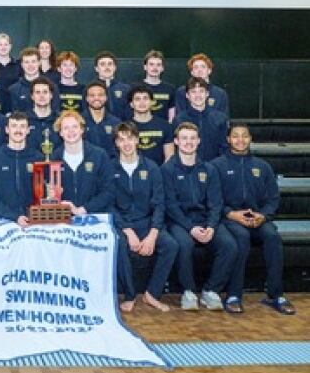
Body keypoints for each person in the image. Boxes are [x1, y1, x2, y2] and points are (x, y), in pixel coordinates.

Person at [211, 124, 295, 315]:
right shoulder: (217, 165)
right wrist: (231, 214)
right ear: (228, 139)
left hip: (257, 219)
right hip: (230, 219)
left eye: (244, 136)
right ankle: (233, 295)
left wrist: (263, 215)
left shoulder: (262, 166)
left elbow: (273, 198)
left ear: (250, 139)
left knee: (273, 237)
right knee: (241, 237)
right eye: (235, 136)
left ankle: (275, 295)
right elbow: (214, 200)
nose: (240, 140)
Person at [162, 122, 236, 311]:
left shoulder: (209, 170)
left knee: (229, 245)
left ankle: (211, 290)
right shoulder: (167, 170)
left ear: (199, 141)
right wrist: (191, 228)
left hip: (205, 220)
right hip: (179, 221)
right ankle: (188, 291)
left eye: (192, 138)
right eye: (184, 138)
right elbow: (171, 206)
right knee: (184, 244)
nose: (188, 142)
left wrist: (211, 226)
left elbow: (216, 203)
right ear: (176, 141)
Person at [111, 122, 178, 313]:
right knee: (120, 244)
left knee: (171, 245)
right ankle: (130, 295)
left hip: (147, 222)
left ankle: (152, 294)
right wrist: (127, 230)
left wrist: (153, 234)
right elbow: (110, 205)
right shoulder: (110, 168)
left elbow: (159, 203)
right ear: (116, 143)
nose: (126, 143)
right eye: (121, 139)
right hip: (122, 224)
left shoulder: (152, 168)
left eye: (130, 138)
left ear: (137, 140)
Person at [0, 112, 42, 227]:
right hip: (2, 221)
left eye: (22, 126)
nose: (18, 130)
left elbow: (42, 193)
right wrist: (14, 216)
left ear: (28, 130)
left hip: (32, 221)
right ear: (7, 130)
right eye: (14, 126)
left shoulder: (38, 158)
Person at [51, 110, 114, 217]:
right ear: (60, 133)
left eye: (74, 127)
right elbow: (49, 191)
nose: (71, 131)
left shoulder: (99, 155)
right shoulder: (53, 158)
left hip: (94, 217)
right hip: (64, 218)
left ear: (81, 130)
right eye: (66, 128)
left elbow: (108, 192)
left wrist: (83, 209)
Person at [174, 77, 229, 162]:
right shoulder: (179, 120)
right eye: (193, 92)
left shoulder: (220, 119)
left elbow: (224, 148)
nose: (198, 95)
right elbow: (176, 149)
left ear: (207, 94)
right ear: (187, 95)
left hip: (214, 169)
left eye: (201, 91)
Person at [128, 84, 174, 164]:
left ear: (152, 102)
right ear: (131, 104)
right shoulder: (126, 128)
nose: (142, 102)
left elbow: (169, 157)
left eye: (145, 98)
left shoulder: (165, 126)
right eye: (137, 99)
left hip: (159, 174)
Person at [8, 47, 59, 114]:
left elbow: (55, 113)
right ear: (22, 65)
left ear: (39, 63)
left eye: (33, 61)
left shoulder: (52, 87)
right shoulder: (13, 90)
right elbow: (14, 116)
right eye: (27, 62)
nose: (30, 65)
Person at [82, 81, 121, 158]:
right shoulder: (78, 121)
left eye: (100, 95)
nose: (96, 98)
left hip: (109, 166)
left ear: (106, 97)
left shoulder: (116, 122)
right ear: (87, 98)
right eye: (92, 95)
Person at [135, 50, 175, 122]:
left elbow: (171, 115)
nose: (155, 68)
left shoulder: (170, 89)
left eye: (158, 65)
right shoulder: (135, 88)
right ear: (145, 67)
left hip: (162, 131)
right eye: (151, 64)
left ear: (162, 68)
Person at [93, 51, 132, 121]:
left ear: (115, 67)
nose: (107, 67)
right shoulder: (90, 89)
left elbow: (130, 112)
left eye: (110, 64)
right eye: (102, 64)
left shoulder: (126, 89)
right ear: (96, 68)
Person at [26, 77, 61, 153]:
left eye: (45, 92)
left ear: (51, 95)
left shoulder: (61, 120)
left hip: (57, 163)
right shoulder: (24, 121)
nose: (41, 96)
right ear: (32, 96)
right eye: (38, 92)